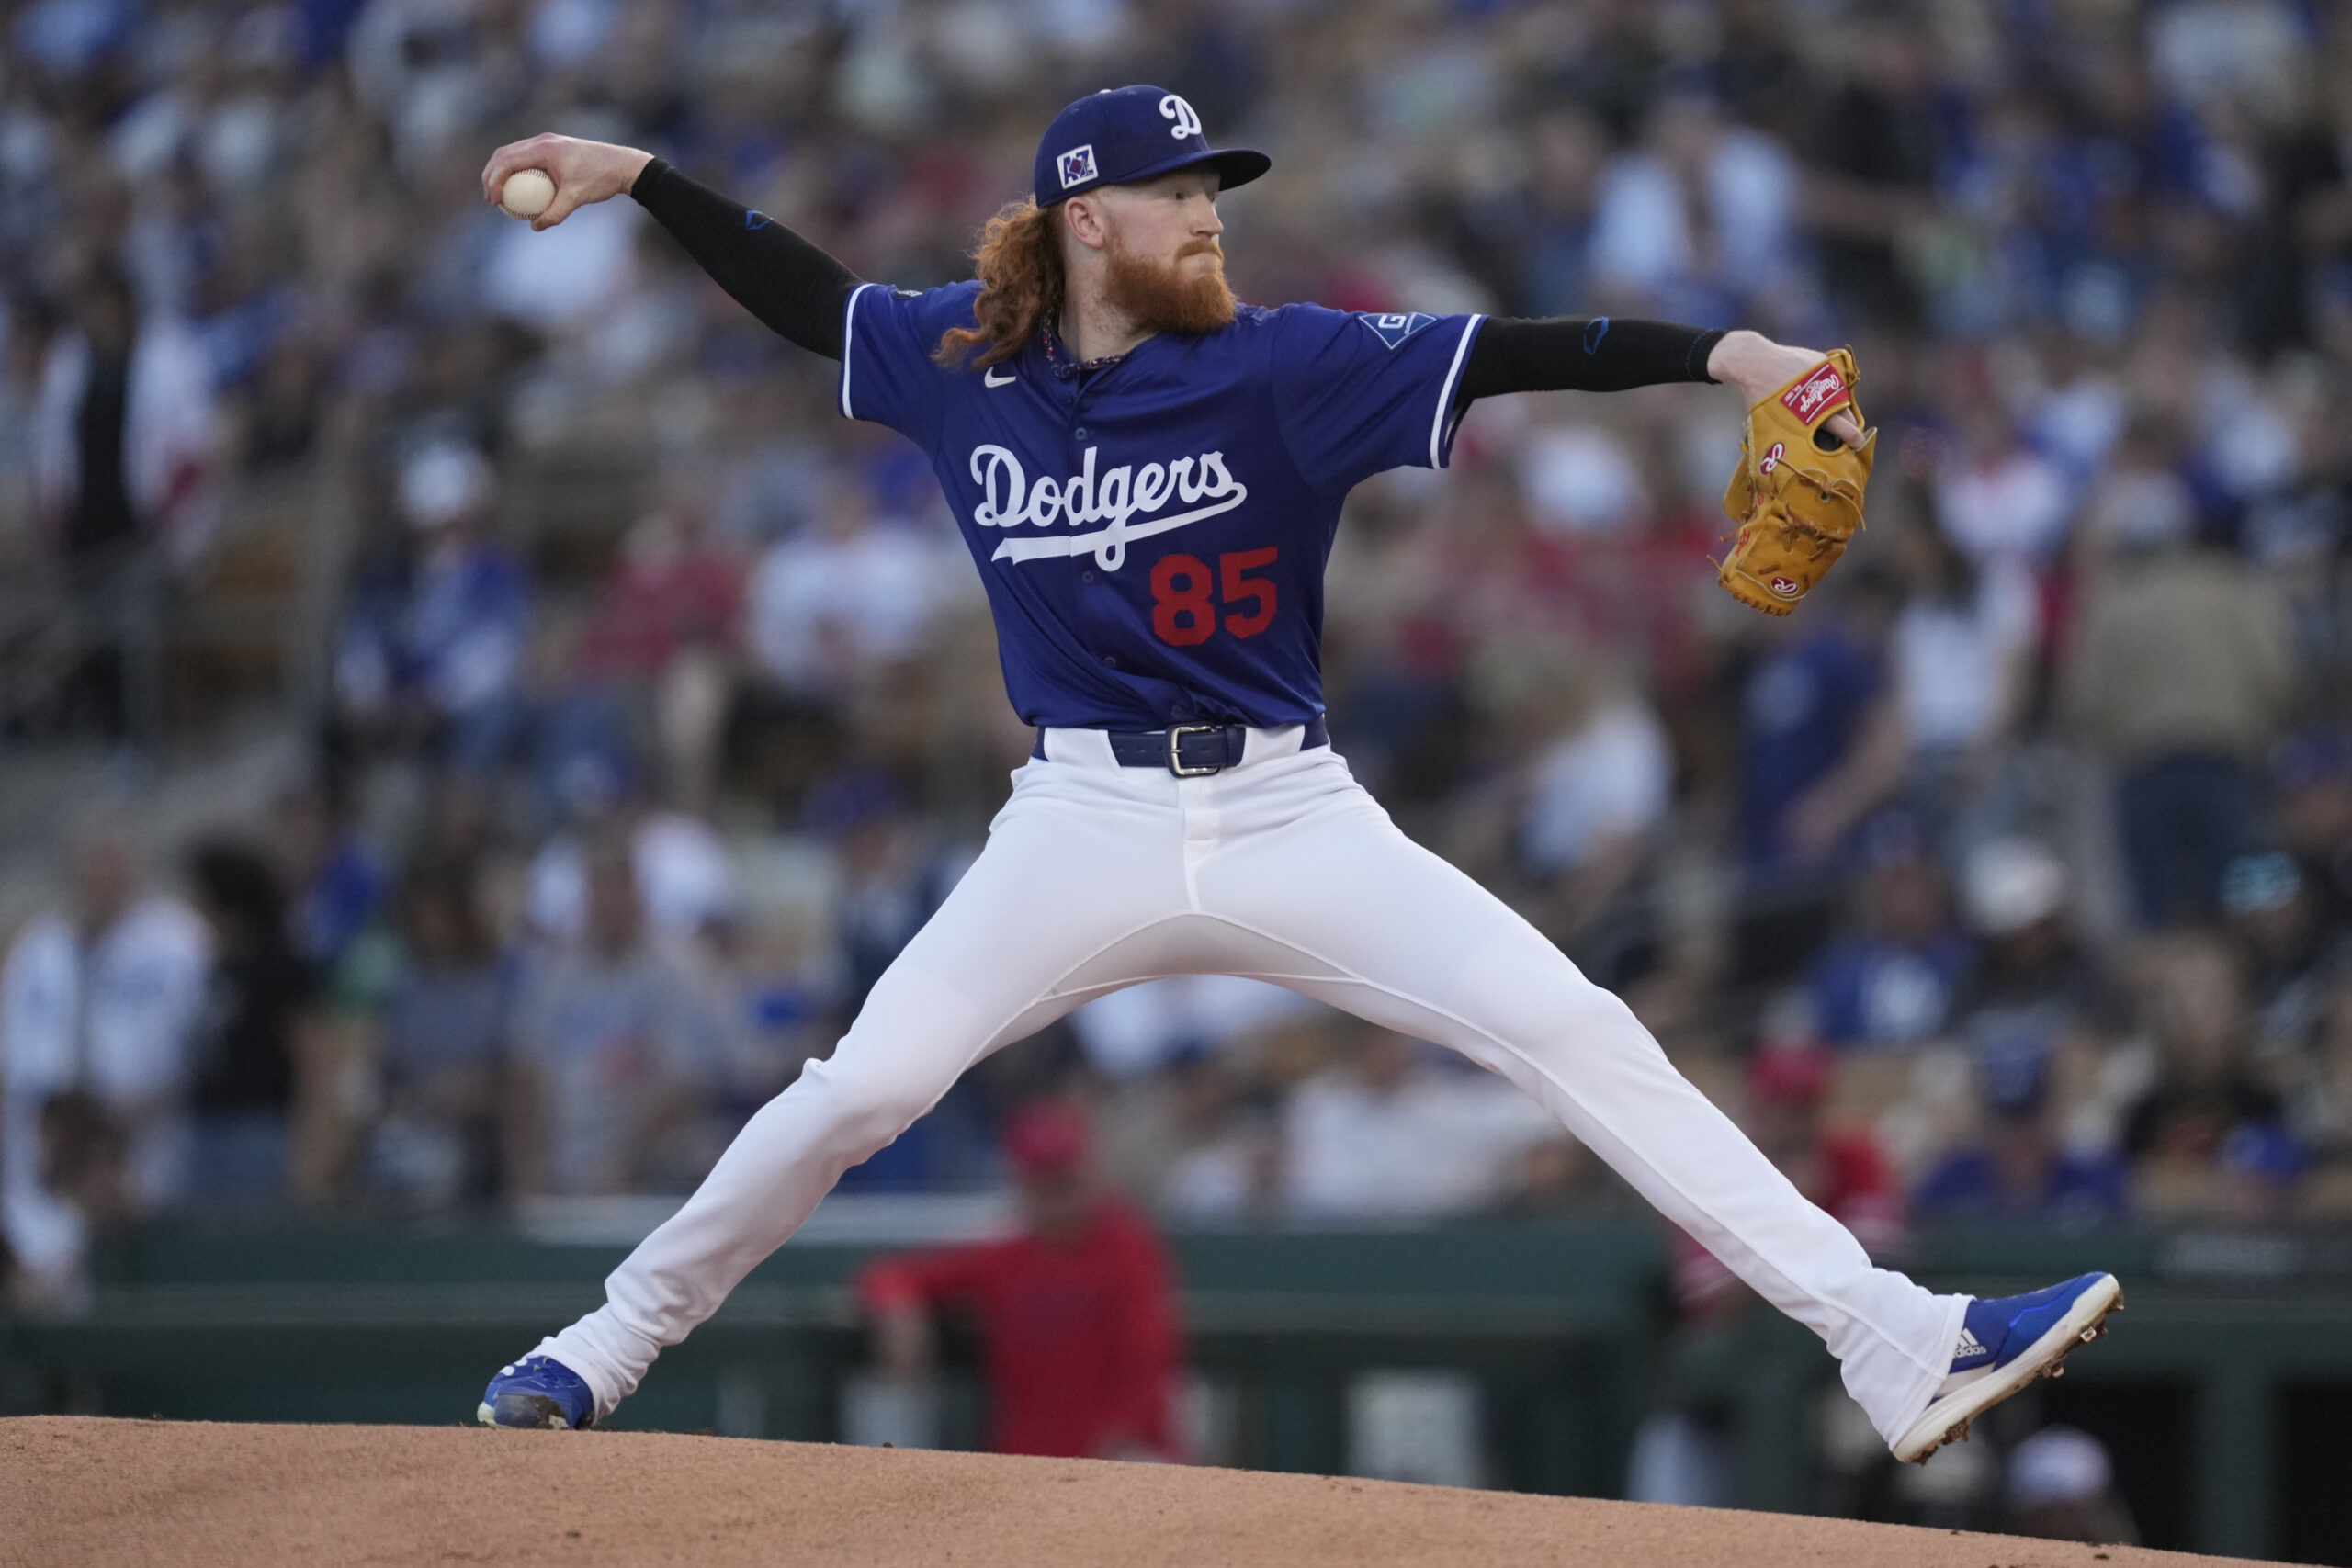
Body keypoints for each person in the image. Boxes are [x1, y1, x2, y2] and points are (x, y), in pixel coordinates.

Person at [472, 85, 2118, 1463]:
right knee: (866, 1089)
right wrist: (645, 182)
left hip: (1289, 809)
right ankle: (599, 1346)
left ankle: (1898, 1342)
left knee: (1574, 1027)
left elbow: (1533, 348)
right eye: (1173, 189)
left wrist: (1735, 357)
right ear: (1082, 219)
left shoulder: (1289, 363)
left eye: (1213, 188)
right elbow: (804, 296)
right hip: (1081, 817)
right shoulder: (962, 361)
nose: (1206, 213)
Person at [853, 1100, 1184, 1461]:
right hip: (1030, 1462)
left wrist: (1122, 1437)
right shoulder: (1009, 1255)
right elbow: (888, 1274)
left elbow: (1148, 1361)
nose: (1059, 1196)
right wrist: (898, 1310)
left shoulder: (1130, 1248)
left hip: (1124, 1459)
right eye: (1044, 1183)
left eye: (1065, 1179)